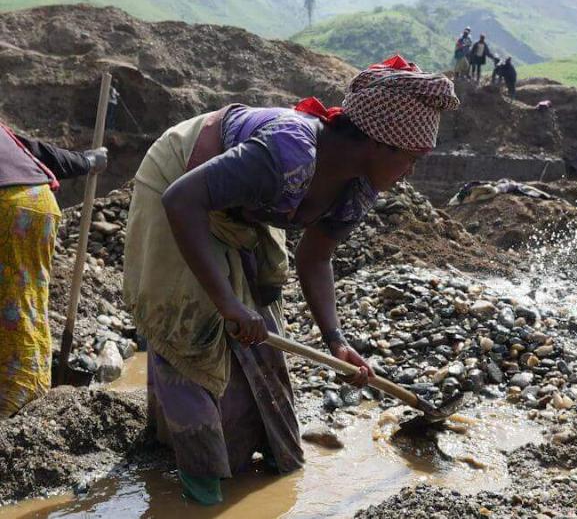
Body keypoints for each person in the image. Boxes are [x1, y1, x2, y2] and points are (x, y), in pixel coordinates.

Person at [123, 54, 460, 506]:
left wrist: (336, 341)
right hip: (179, 183)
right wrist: (225, 303)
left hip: (242, 210)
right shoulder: (289, 150)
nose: (412, 172)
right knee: (193, 331)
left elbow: (315, 258)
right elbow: (182, 200)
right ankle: (199, 494)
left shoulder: (357, 187)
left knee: (260, 335)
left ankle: (255, 467)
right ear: (380, 143)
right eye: (412, 158)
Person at [0, 123, 107, 419]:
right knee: (25, 300)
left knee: (11, 305)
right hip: (38, 202)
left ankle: (14, 403)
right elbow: (36, 152)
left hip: (6, 208)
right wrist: (87, 161)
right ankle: (31, 386)